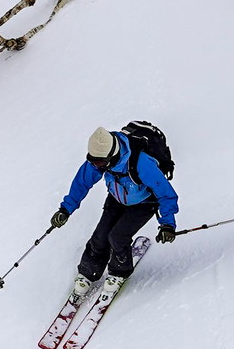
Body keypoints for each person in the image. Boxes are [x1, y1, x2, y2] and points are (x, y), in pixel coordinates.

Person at [50, 125, 178, 299]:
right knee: (100, 236)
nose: (96, 165)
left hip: (145, 202)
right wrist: (66, 209)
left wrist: (167, 225)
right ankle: (88, 272)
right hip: (117, 197)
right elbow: (82, 182)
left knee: (117, 237)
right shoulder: (99, 157)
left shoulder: (141, 162)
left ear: (112, 155)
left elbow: (166, 194)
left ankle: (119, 272)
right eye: (93, 161)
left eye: (100, 163)